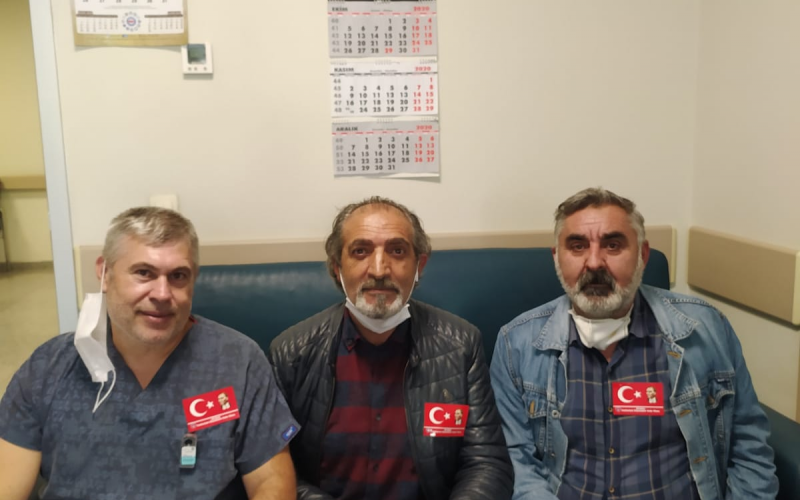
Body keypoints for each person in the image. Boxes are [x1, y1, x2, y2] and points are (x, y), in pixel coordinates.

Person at [490, 188, 778, 500]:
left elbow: (749, 448)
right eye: (577, 246)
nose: (594, 262)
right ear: (557, 258)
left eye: (613, 245)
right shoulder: (516, 344)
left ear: (642, 254)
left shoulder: (706, 329)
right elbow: (517, 463)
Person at [0, 207, 299, 500]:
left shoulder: (238, 362)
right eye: (144, 273)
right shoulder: (48, 368)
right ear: (104, 273)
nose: (162, 294)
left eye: (178, 276)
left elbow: (271, 482)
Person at [269, 196, 513, 500]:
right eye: (361, 251)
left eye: (397, 251)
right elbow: (273, 468)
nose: (379, 270)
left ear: (419, 265)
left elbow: (487, 463)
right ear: (336, 268)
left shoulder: (461, 346)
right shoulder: (291, 353)